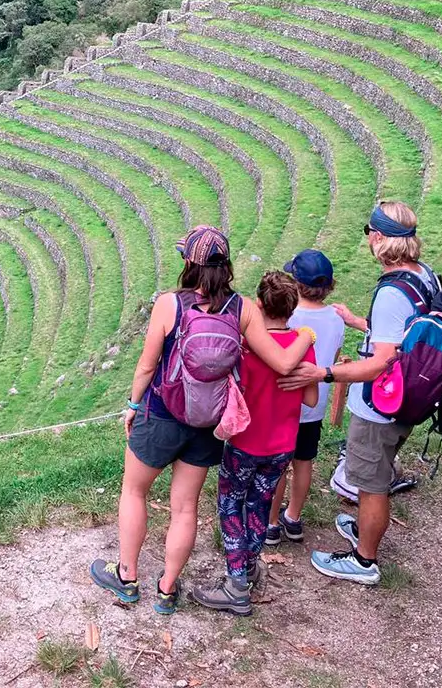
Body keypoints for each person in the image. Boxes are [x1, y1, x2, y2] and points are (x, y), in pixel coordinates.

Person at [90, 226, 314, 614]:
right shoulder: (242, 308)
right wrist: (306, 336)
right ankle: (167, 589)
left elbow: (147, 365)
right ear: (226, 265)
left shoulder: (169, 304)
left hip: (162, 412)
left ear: (188, 263)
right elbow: (280, 362)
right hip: (209, 423)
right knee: (185, 507)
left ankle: (126, 578)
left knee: (134, 492)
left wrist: (132, 404)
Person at [278, 201, 438, 586]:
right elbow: (401, 335)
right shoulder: (424, 276)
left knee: (371, 482)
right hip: (411, 392)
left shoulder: (390, 293)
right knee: (375, 474)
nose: (367, 239)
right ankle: (365, 524)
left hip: (381, 403)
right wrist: (357, 322)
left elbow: (380, 361)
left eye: (369, 232)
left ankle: (364, 560)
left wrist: (327, 373)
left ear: (380, 238)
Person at [191, 271, 318, 616]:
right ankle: (249, 566)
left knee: (231, 505)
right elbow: (310, 398)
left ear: (258, 304)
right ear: (292, 309)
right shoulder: (302, 344)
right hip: (282, 445)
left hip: (246, 443)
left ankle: (235, 586)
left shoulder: (247, 348)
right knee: (261, 504)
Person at [265, 250, 345, 546]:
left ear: (296, 284)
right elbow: (334, 358)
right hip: (316, 404)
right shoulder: (336, 318)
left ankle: (271, 524)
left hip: (284, 403)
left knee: (278, 464)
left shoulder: (291, 315)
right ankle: (294, 519)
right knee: (304, 461)